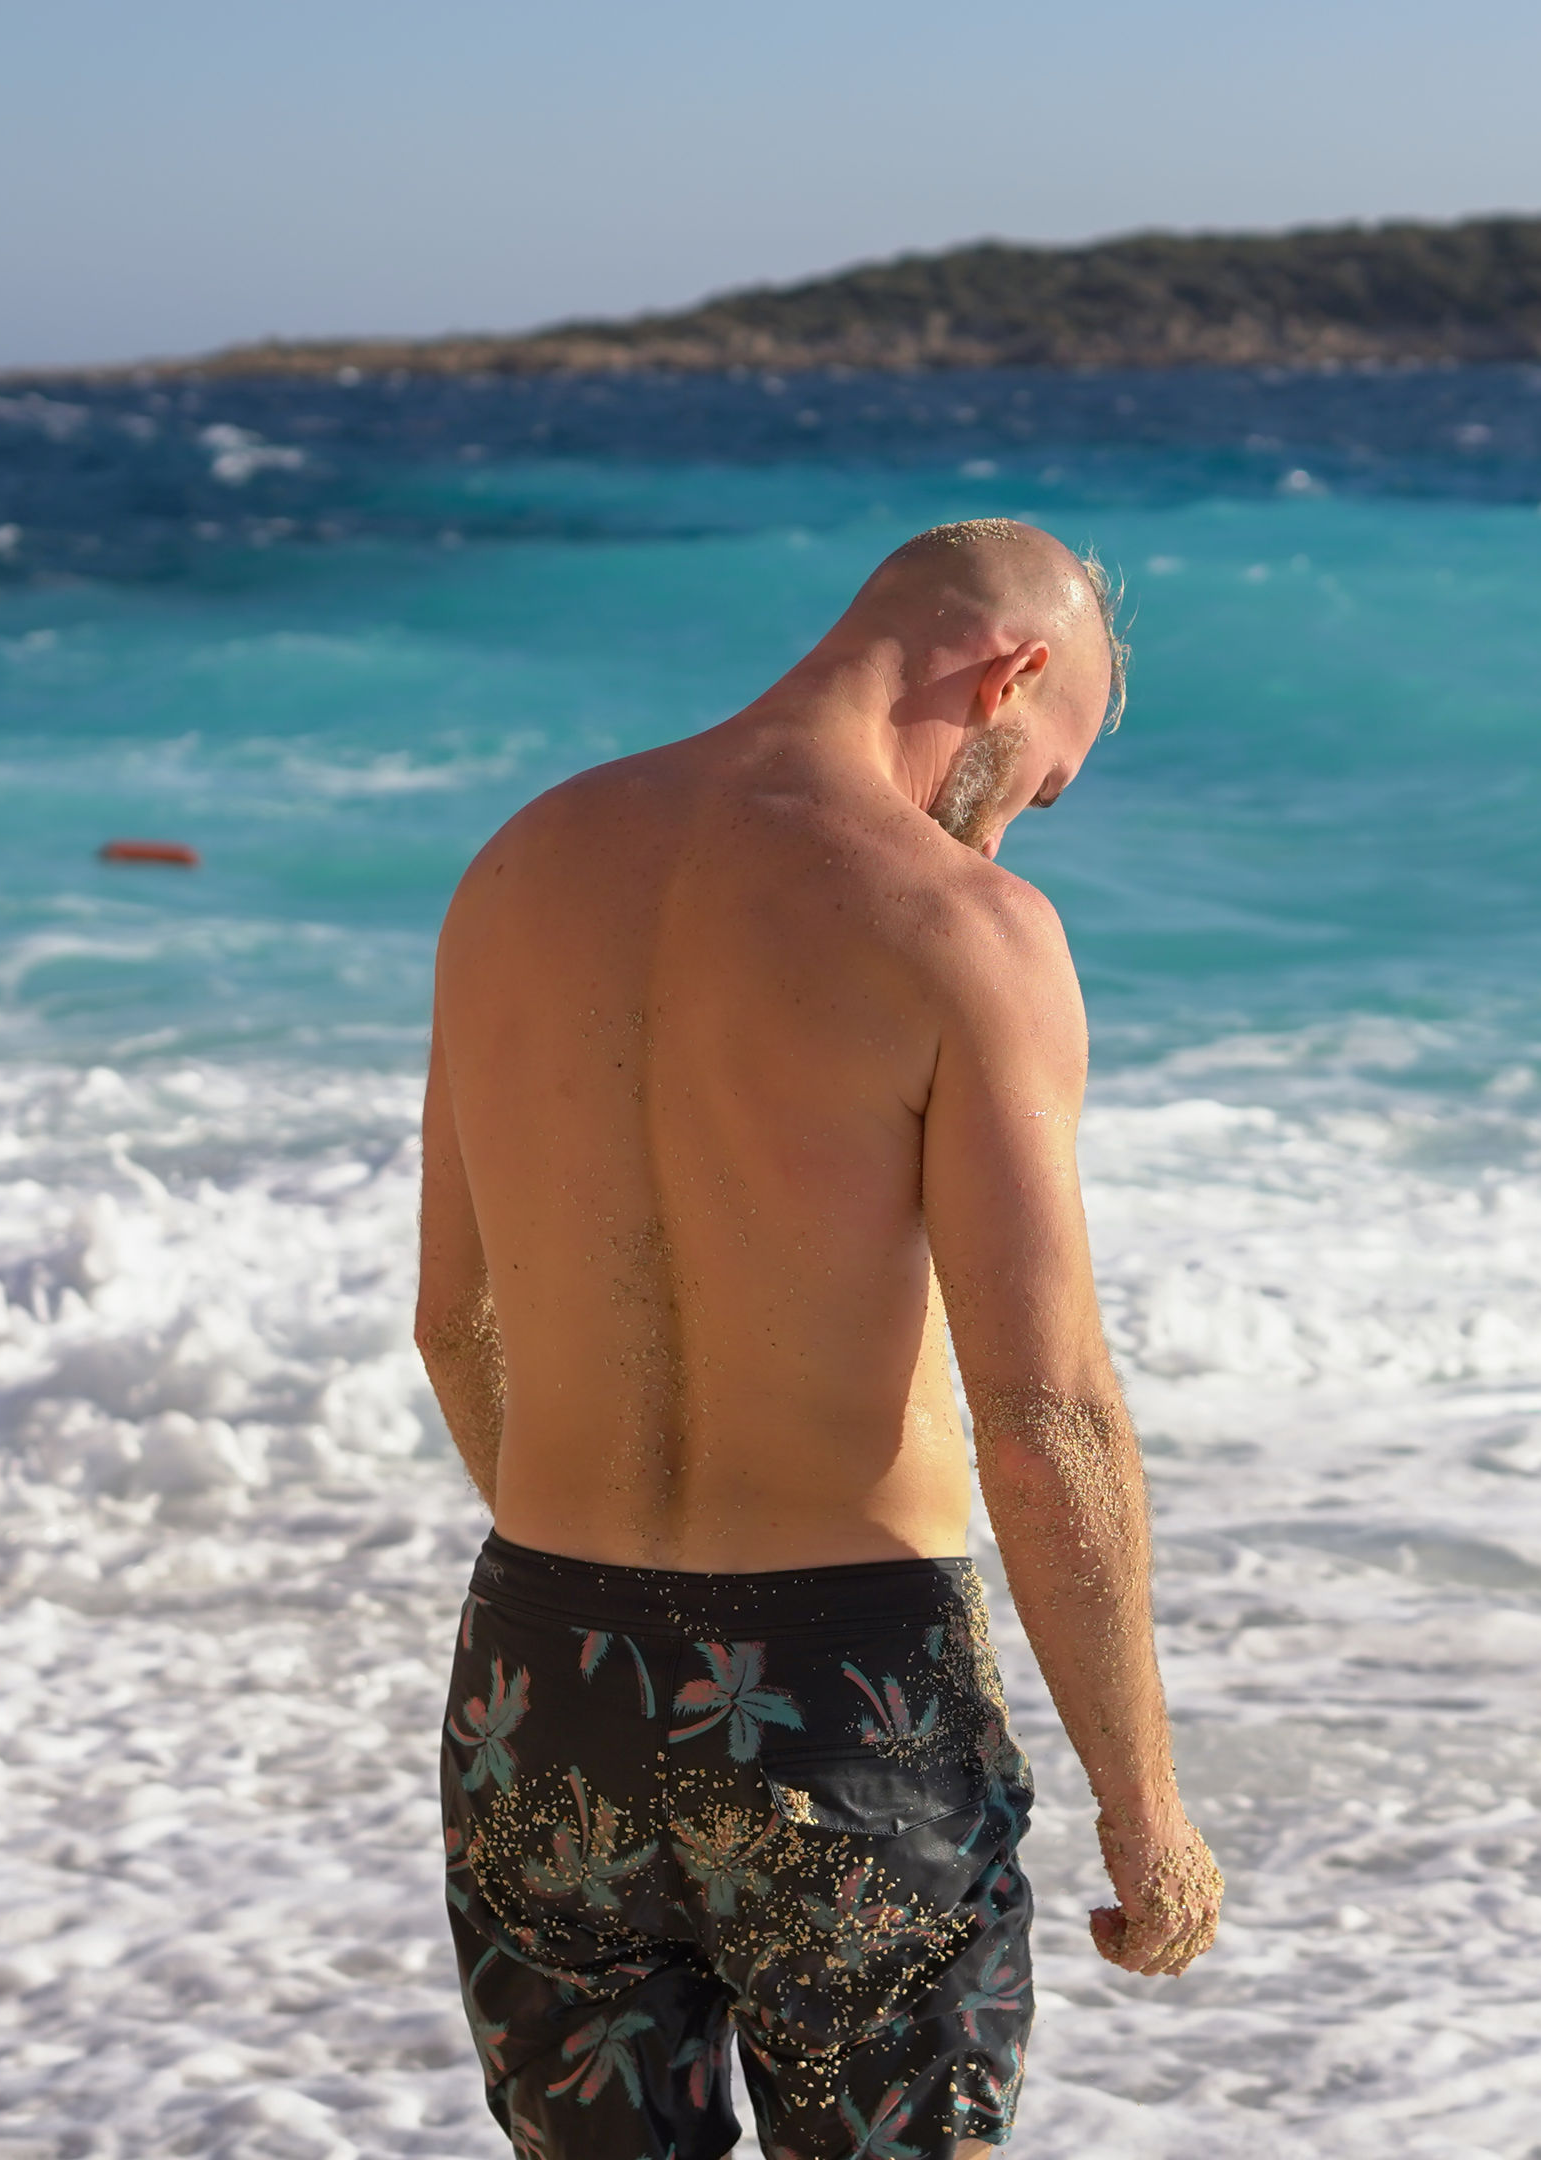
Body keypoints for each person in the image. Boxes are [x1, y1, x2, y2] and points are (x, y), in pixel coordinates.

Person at [414, 519, 1219, 2160]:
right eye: (1036, 787)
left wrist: (614, 1578)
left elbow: (454, 1325)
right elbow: (1048, 1416)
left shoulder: (519, 864)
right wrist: (1149, 1822)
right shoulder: (962, 932)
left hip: (540, 1675)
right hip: (847, 1710)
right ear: (1014, 678)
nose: (1014, 835)